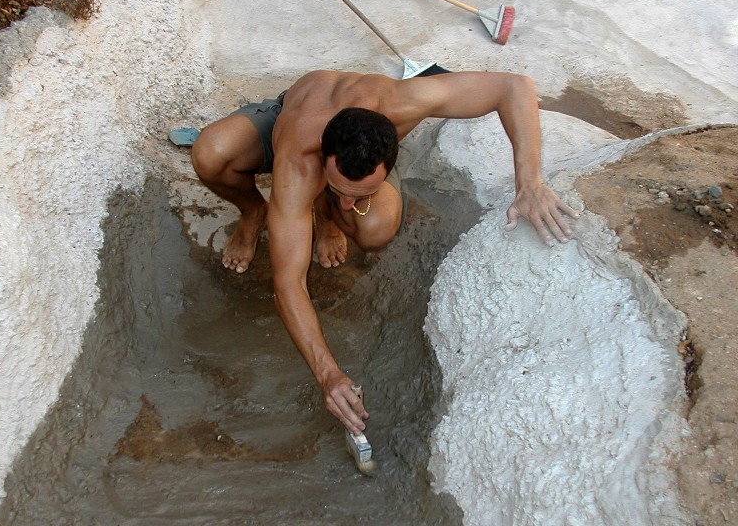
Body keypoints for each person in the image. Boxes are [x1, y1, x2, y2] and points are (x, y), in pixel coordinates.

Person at [191, 69, 579, 436]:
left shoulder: (402, 102)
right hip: (288, 117)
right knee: (210, 153)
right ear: (323, 160)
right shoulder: (298, 164)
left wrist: (529, 183)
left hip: (351, 143)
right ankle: (253, 211)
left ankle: (324, 215)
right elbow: (288, 283)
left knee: (375, 229)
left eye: (358, 194)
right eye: (338, 189)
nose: (349, 204)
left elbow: (514, 86)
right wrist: (328, 374)